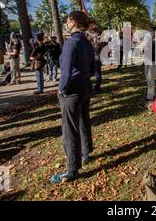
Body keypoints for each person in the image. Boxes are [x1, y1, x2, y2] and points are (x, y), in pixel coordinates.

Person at [50, 11, 95, 184]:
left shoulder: (71, 43)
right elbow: (92, 68)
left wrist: (61, 89)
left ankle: (71, 170)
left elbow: (66, 73)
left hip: (73, 90)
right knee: (84, 119)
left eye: (68, 20)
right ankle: (86, 152)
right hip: (85, 86)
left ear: (74, 22)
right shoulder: (87, 42)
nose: (66, 23)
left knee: (70, 129)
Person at [144, 26, 156, 103]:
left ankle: (150, 96)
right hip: (147, 60)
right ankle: (152, 93)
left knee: (150, 78)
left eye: (151, 31)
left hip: (154, 61)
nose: (150, 32)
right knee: (148, 77)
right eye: (149, 31)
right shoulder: (149, 39)